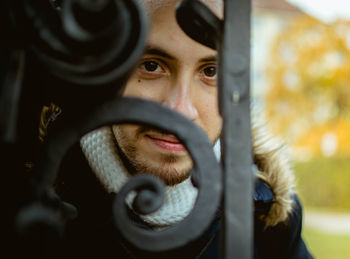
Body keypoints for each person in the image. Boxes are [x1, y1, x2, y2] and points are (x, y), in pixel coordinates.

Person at [37, 0, 313, 258]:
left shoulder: (266, 217)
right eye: (152, 65)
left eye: (211, 71)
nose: (181, 111)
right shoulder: (34, 200)